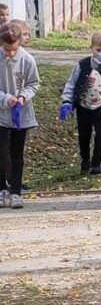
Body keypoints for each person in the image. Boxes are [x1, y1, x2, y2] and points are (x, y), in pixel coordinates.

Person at [60, 32, 101, 176]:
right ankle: (85, 161)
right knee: (84, 135)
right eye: (98, 50)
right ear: (91, 48)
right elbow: (71, 84)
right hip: (84, 106)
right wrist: (67, 101)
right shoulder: (82, 65)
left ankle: (96, 164)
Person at [0, 22, 39, 210]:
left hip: (20, 115)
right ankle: (1, 189)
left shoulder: (27, 60)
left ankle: (16, 191)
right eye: (7, 50)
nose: (10, 54)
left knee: (17, 153)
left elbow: (33, 83)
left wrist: (23, 96)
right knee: (1, 151)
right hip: (1, 113)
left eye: (13, 50)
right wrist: (6, 98)